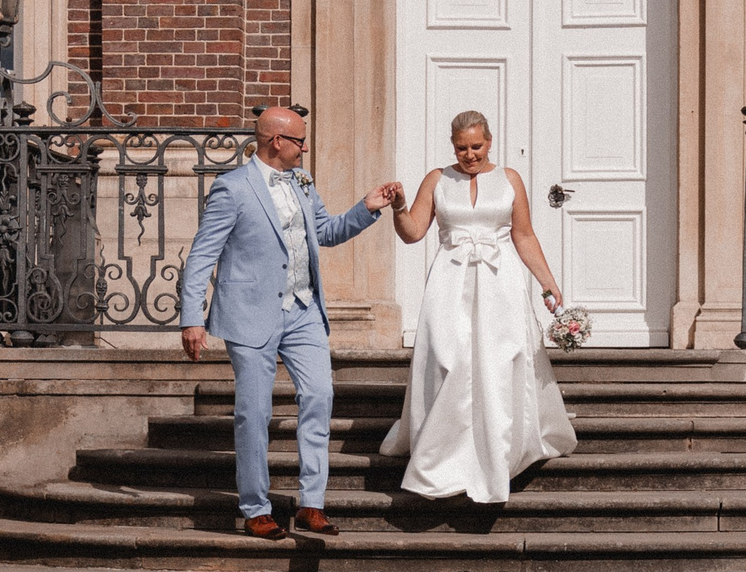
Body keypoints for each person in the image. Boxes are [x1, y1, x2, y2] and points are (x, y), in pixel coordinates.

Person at [179, 107, 404, 539]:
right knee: (253, 412)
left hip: (303, 311)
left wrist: (367, 207)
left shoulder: (303, 182)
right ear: (276, 141)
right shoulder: (232, 189)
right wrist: (193, 318)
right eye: (300, 140)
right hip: (249, 313)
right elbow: (202, 255)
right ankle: (256, 507)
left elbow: (327, 231)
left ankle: (311, 504)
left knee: (319, 396)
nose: (305, 147)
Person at [380, 110, 576, 503]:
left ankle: (500, 451)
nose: (469, 154)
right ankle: (442, 457)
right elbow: (413, 232)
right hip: (449, 282)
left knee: (501, 360)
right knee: (449, 359)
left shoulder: (509, 179)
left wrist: (547, 281)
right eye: (461, 147)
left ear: (489, 141)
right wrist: (399, 207)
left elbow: (523, 235)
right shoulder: (437, 179)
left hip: (499, 281)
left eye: (476, 146)